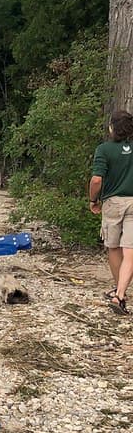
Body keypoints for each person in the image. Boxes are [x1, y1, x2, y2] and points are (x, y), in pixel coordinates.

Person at [89, 110, 133, 315]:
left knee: (113, 247)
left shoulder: (104, 149)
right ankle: (120, 294)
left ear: (112, 128)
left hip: (113, 203)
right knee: (130, 251)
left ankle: (119, 290)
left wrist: (93, 200)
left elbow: (97, 180)